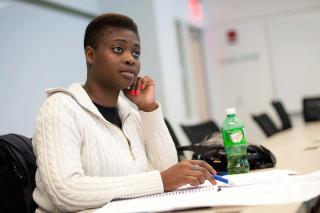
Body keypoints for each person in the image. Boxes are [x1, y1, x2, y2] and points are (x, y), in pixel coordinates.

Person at [32, 13, 217, 212]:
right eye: (118, 49)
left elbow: (166, 171)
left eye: (136, 53)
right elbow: (65, 191)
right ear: (90, 55)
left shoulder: (130, 114)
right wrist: (160, 180)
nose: (130, 59)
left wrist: (148, 109)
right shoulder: (60, 108)